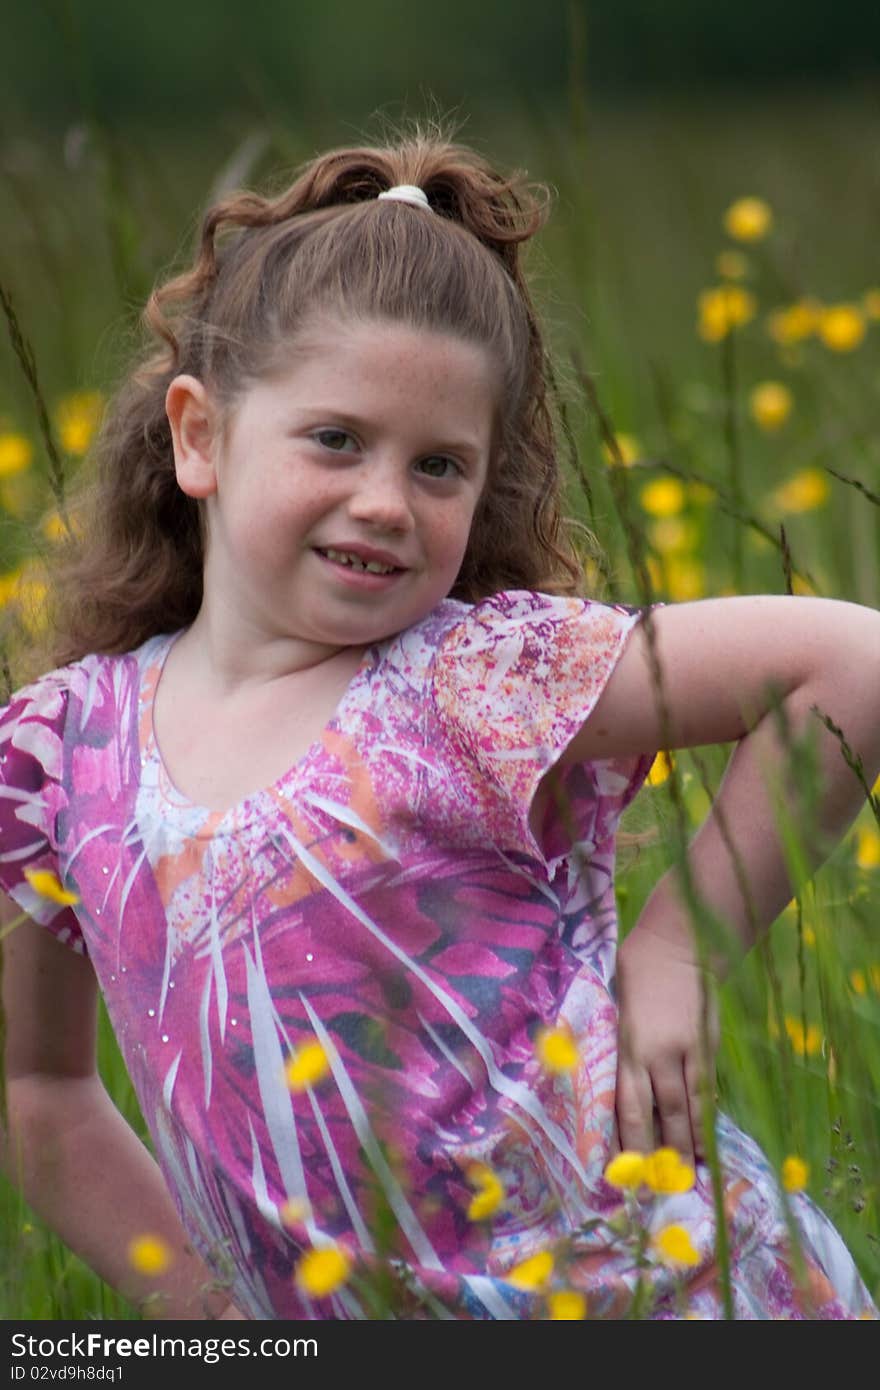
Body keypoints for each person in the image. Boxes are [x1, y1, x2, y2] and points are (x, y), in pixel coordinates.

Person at [1, 128, 878, 1322]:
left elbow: (851, 662)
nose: (383, 501)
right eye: (335, 439)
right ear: (199, 435)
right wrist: (205, 1315)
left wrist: (679, 950)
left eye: (440, 467)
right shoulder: (64, 754)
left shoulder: (470, 679)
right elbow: (40, 1088)